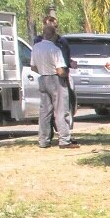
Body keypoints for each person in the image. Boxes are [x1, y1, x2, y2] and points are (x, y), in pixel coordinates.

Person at [31, 19, 76, 148]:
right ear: (53, 35)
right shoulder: (55, 49)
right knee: (61, 110)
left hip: (42, 79)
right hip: (56, 80)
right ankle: (64, 140)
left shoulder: (36, 47)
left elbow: (33, 67)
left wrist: (43, 70)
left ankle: (43, 140)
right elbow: (60, 70)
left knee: (45, 111)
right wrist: (66, 74)